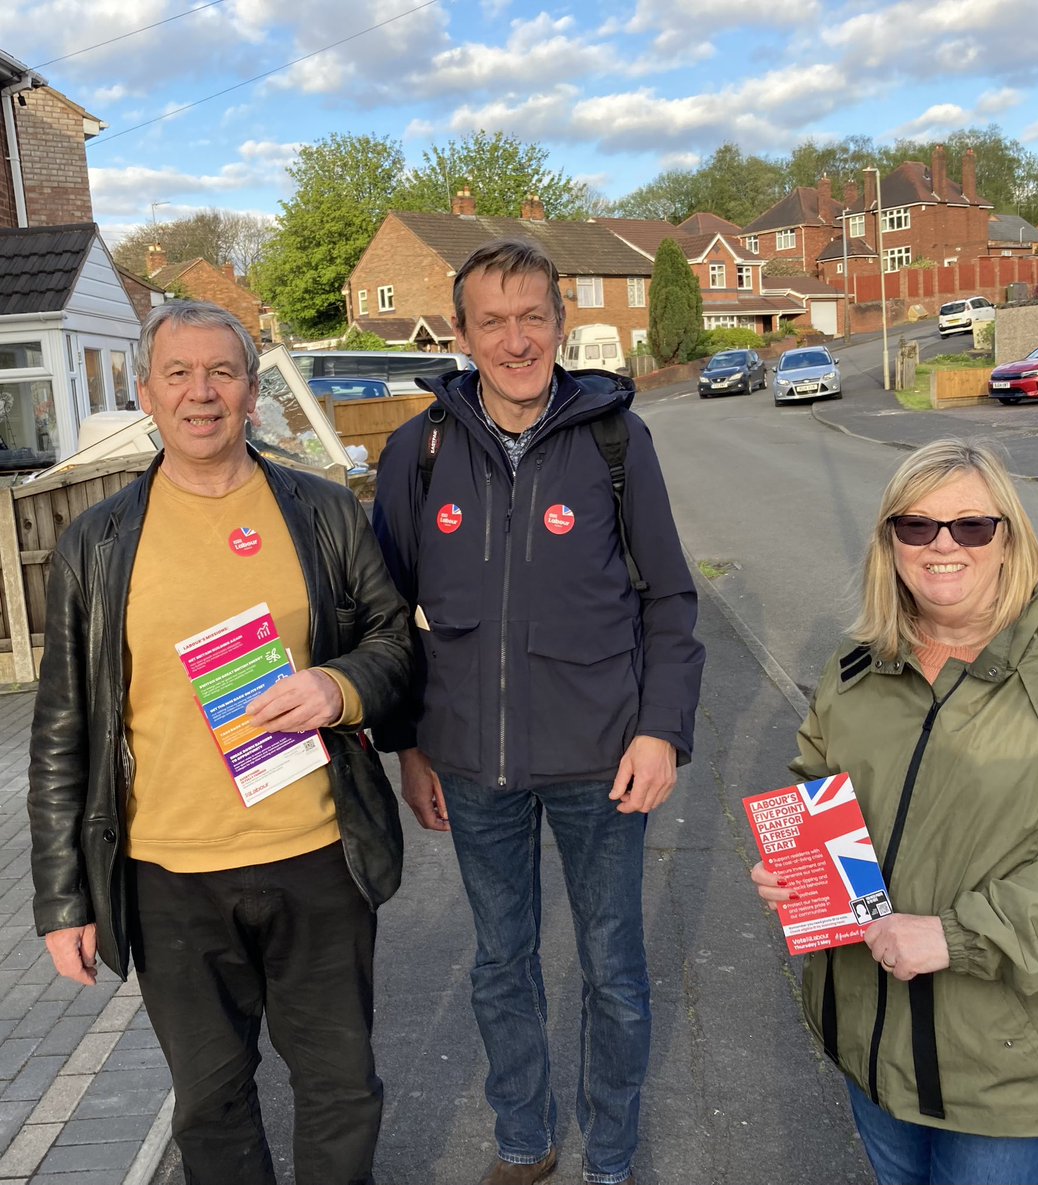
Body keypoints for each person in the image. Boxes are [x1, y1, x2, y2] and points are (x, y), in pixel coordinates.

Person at [28, 301, 411, 1185]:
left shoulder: (319, 511)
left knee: (342, 1088)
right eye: (179, 374)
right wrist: (63, 901)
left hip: (317, 854)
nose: (201, 393)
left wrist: (336, 686)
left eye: (222, 373)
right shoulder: (98, 540)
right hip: (168, 877)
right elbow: (60, 733)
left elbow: (394, 638)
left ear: (250, 393)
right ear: (147, 394)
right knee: (210, 1103)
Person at [372, 238, 705, 1185]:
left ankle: (610, 1156)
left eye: (533, 317)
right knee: (499, 967)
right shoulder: (420, 448)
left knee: (615, 973)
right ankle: (525, 1140)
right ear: (464, 333)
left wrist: (661, 728)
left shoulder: (614, 439)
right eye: (493, 321)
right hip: (472, 764)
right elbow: (384, 610)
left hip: (604, 759)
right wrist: (409, 745)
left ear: (560, 322)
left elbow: (671, 600)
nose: (516, 340)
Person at [751, 439, 1038, 1185]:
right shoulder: (861, 660)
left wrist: (956, 936)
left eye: (970, 526)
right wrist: (792, 865)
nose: (942, 546)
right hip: (870, 1031)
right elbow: (814, 779)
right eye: (917, 525)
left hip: (1002, 1061)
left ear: (1009, 535)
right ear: (890, 540)